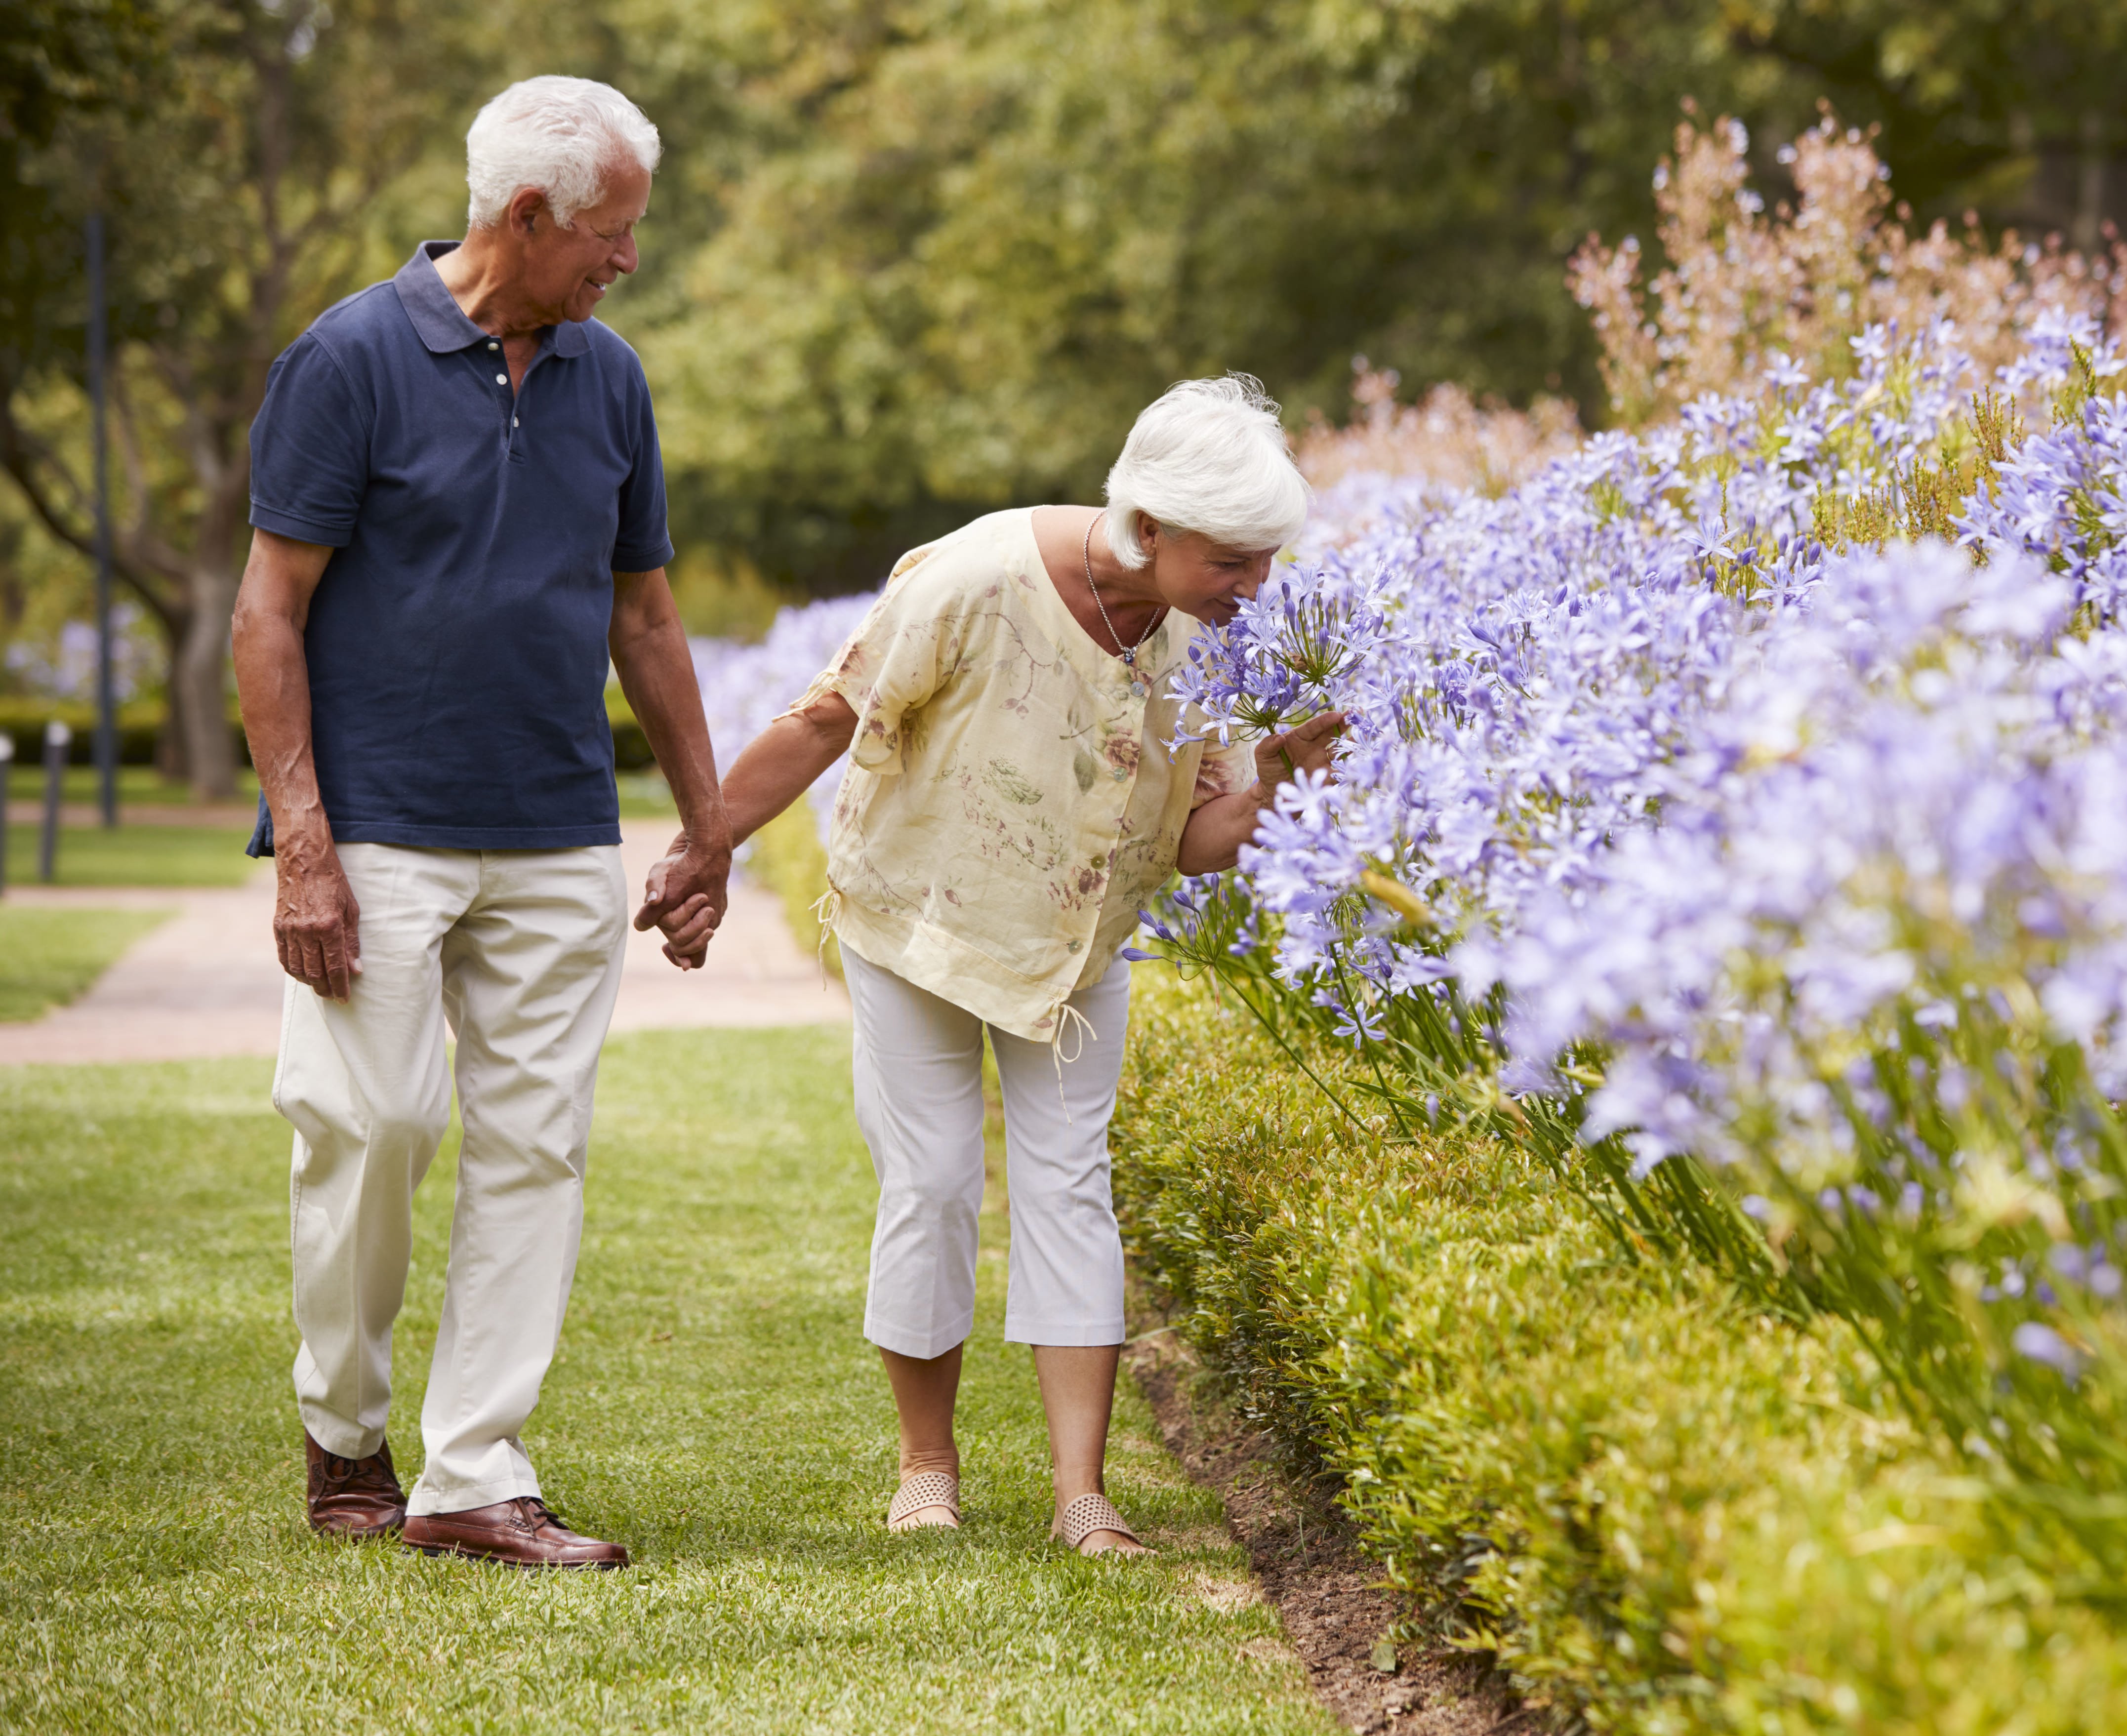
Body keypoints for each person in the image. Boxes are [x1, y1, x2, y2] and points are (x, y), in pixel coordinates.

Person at [666, 376, 1341, 1554]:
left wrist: (1271, 774)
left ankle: (1082, 1495)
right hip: (919, 925)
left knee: (1070, 1192)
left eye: (1265, 562)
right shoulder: (980, 576)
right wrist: (705, 847)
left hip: (1073, 957)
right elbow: (829, 717)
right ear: (1156, 525)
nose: (1257, 590)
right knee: (927, 1186)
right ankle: (927, 1462)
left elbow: (1187, 841)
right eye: (1235, 561)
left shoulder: (1202, 643)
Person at [229, 76, 729, 1569]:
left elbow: (645, 617)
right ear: (526, 217)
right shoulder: (347, 360)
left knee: (535, 1148)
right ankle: (344, 1426)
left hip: (558, 826)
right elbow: (269, 612)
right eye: (613, 233)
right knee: (369, 1124)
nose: (626, 261)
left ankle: (473, 1474)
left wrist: (708, 830)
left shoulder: (611, 376)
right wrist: (303, 844)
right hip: (378, 827)